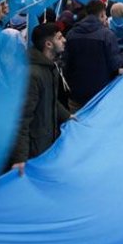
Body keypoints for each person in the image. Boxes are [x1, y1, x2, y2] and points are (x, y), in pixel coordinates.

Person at [8, 23, 72, 176]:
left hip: (46, 143)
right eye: (59, 37)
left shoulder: (49, 68)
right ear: (48, 44)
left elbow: (51, 99)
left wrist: (68, 116)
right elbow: (21, 118)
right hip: (34, 150)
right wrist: (20, 158)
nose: (64, 40)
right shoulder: (32, 74)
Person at [64, 0, 123, 111]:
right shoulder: (107, 35)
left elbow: (66, 64)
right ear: (102, 14)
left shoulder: (71, 34)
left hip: (76, 95)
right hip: (101, 95)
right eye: (105, 16)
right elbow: (115, 64)